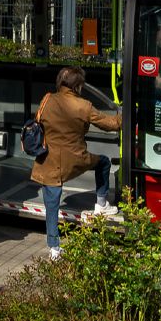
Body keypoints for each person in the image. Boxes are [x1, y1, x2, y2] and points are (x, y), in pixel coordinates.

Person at [31, 66, 122, 260]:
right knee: (103, 162)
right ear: (78, 86)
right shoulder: (84, 106)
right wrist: (124, 113)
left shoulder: (47, 99)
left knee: (52, 206)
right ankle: (101, 204)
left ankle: (54, 249)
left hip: (48, 161)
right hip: (76, 160)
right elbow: (111, 125)